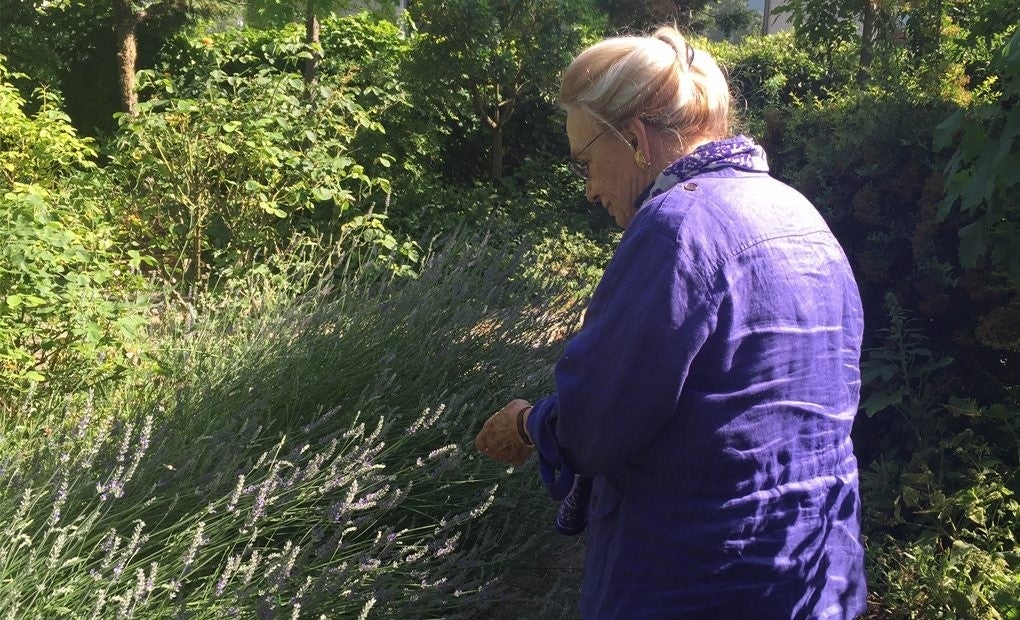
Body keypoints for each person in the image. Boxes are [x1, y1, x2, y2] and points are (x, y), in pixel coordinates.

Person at [474, 25, 868, 619]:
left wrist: (529, 423)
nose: (589, 190)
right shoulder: (799, 213)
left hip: (697, 583)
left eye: (586, 161)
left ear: (633, 138)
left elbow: (594, 423)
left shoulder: (675, 227)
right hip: (815, 576)